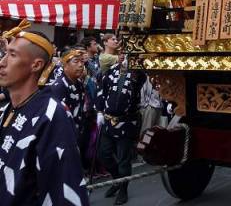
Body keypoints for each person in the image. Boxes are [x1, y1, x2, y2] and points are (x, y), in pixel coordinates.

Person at [0, 20, 89, 206]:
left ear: (36, 65)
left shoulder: (52, 115)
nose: (2, 62)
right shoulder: (8, 109)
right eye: (5, 53)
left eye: (12, 55)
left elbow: (65, 193)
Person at [96, 55, 145, 204]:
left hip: (126, 122)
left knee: (124, 159)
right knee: (103, 154)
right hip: (108, 120)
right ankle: (118, 179)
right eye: (122, 52)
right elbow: (101, 91)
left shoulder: (138, 74)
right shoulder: (111, 71)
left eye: (128, 53)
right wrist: (99, 111)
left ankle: (123, 189)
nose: (124, 56)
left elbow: (140, 81)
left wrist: (134, 66)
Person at [50, 46, 86, 135]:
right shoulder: (58, 87)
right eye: (76, 61)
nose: (81, 65)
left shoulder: (79, 83)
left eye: (82, 61)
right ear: (65, 64)